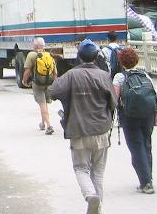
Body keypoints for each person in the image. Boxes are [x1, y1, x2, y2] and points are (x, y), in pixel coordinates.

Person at [50, 39, 116, 214]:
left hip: (79, 130)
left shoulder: (71, 75)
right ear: (96, 57)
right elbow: (113, 103)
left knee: (81, 168)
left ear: (78, 56)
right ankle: (97, 208)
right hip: (102, 130)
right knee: (98, 174)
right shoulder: (104, 76)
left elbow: (53, 91)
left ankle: (90, 195)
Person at [113, 47, 157, 194]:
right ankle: (148, 178)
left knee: (136, 147)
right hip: (148, 115)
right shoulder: (145, 75)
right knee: (146, 145)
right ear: (136, 60)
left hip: (129, 117)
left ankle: (146, 183)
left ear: (121, 62)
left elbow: (115, 98)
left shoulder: (120, 77)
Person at [22, 37, 57, 135]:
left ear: (36, 46)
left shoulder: (32, 55)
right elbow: (55, 72)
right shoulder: (49, 55)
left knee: (42, 103)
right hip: (48, 83)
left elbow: (27, 70)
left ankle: (49, 126)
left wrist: (24, 81)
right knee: (44, 104)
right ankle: (43, 123)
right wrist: (54, 82)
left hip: (38, 83)